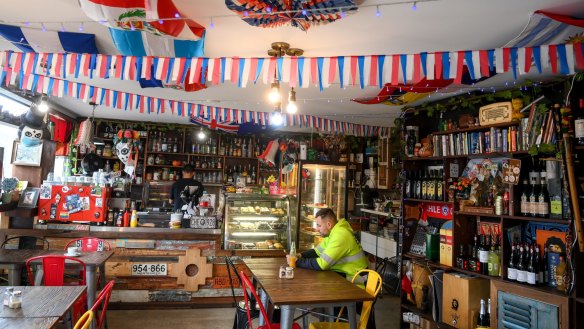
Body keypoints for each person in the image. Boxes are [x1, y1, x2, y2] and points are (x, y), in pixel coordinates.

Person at [289, 208, 368, 281]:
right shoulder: (333, 232)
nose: (317, 229)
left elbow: (322, 264)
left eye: (319, 225)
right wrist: (300, 255)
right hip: (343, 274)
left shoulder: (340, 235)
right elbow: (317, 252)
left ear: (329, 225)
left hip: (355, 280)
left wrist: (297, 262)